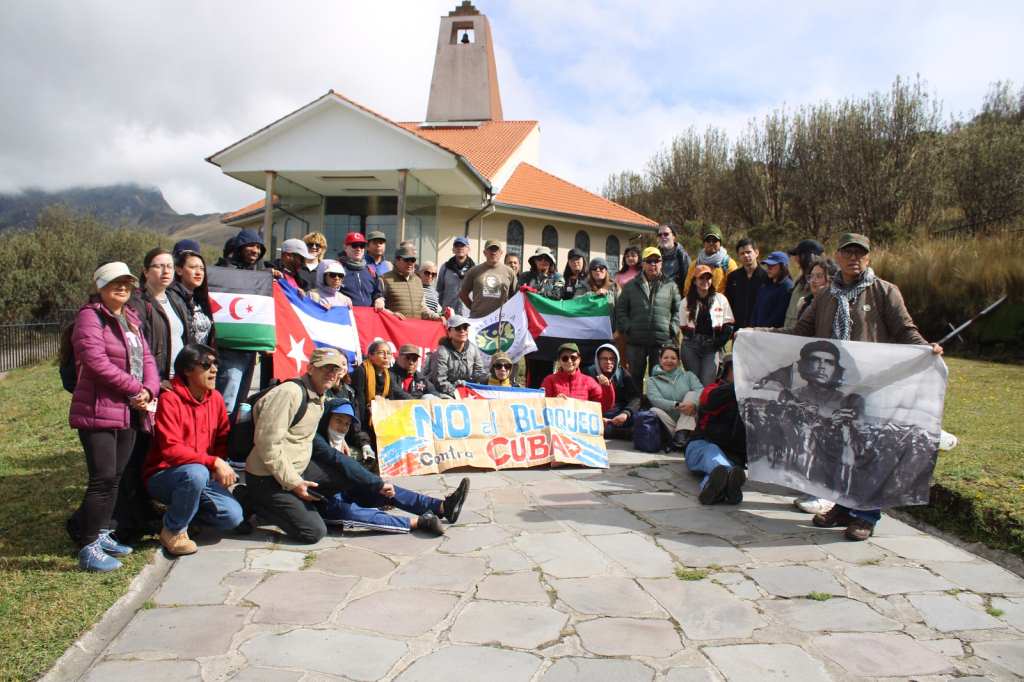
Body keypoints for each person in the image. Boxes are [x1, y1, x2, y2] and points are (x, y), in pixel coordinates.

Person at [788, 233, 943, 541]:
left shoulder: (885, 291)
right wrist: (756, 334)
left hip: (873, 386)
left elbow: (905, 330)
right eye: (848, 252)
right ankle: (843, 507)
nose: (854, 258)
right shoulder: (825, 296)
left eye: (860, 253)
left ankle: (866, 514)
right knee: (835, 449)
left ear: (869, 257)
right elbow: (799, 332)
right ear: (838, 256)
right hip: (834, 388)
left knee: (867, 451)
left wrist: (926, 347)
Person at [69, 262, 160, 571]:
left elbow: (147, 358)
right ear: (99, 286)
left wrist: (150, 389)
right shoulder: (89, 316)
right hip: (98, 409)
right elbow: (94, 361)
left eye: (126, 282)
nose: (122, 287)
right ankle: (88, 546)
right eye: (114, 282)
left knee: (116, 477)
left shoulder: (130, 318)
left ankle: (102, 533)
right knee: (102, 479)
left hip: (129, 410)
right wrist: (136, 388)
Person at [143, 344, 244, 555]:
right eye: (206, 365)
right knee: (196, 473)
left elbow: (222, 439)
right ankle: (173, 531)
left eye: (216, 363)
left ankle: (177, 515)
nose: (214, 369)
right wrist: (213, 462)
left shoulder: (215, 398)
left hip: (201, 475)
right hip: (165, 475)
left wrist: (217, 465)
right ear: (187, 370)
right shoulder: (170, 399)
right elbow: (171, 450)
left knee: (233, 517)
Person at [314, 401, 469, 534]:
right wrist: (377, 483)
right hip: (322, 501)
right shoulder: (316, 441)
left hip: (344, 490)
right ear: (326, 419)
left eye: (347, 424)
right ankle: (419, 523)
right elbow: (340, 461)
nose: (342, 427)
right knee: (351, 512)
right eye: (338, 421)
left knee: (388, 491)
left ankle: (442, 507)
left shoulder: (337, 441)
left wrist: (378, 485)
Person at [240, 347, 343, 544]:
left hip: (295, 469)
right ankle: (252, 500)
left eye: (335, 369)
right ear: (310, 368)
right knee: (313, 532)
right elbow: (267, 444)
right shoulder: (289, 393)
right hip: (267, 477)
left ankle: (292, 505)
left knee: (344, 474)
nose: (331, 373)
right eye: (325, 368)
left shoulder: (319, 395)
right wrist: (294, 483)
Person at [614, 246, 681, 390]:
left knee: (659, 378)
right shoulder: (630, 286)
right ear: (643, 264)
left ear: (661, 263)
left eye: (656, 261)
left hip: (661, 340)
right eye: (649, 261)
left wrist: (672, 328)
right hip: (636, 340)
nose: (653, 264)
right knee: (634, 377)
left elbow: (678, 310)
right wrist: (628, 327)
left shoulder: (671, 285)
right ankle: (635, 402)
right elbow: (620, 309)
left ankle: (654, 403)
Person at [684, 354, 747, 505]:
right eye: (736, 369)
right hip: (701, 446)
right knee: (714, 454)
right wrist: (739, 387)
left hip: (731, 457)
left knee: (720, 472)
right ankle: (728, 482)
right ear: (727, 371)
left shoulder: (751, 400)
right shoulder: (712, 389)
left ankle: (715, 489)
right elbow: (709, 401)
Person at [351, 340, 410, 453]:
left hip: (379, 416)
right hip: (364, 418)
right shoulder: (362, 371)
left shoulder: (388, 375)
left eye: (389, 353)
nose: (386, 356)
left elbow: (393, 398)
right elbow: (359, 402)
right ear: (370, 355)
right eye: (381, 353)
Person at [681, 264, 735, 385]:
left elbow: (729, 325)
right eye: (701, 278)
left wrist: (718, 342)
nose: (705, 281)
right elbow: (683, 327)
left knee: (707, 382)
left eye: (708, 278)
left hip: (712, 346)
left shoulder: (721, 299)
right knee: (694, 383)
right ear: (694, 281)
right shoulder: (685, 301)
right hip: (690, 346)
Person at [645, 345, 703, 450]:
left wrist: (693, 404)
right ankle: (680, 437)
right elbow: (655, 399)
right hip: (668, 421)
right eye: (666, 358)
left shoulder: (689, 376)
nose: (669, 361)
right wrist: (676, 405)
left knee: (691, 395)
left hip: (689, 416)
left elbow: (700, 390)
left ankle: (681, 435)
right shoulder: (652, 381)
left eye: (673, 358)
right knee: (654, 410)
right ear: (660, 360)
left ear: (679, 362)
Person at [585, 343, 639, 440]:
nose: (608, 362)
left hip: (619, 413)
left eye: (612, 359)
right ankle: (622, 433)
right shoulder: (588, 373)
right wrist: (597, 416)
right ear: (598, 360)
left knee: (640, 419)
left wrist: (625, 414)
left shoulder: (622, 373)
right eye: (604, 359)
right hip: (596, 414)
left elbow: (635, 398)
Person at [430, 315, 489, 397]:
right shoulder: (441, 352)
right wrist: (458, 393)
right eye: (458, 328)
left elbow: (479, 373)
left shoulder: (473, 349)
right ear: (449, 332)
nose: (462, 331)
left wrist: (490, 378)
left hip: (466, 391)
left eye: (465, 327)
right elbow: (439, 382)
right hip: (443, 393)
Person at [541, 342, 614, 410]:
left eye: (573, 358)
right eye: (565, 358)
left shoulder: (589, 381)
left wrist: (606, 387)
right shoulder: (549, 380)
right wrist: (554, 401)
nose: (569, 361)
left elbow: (604, 406)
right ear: (559, 361)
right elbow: (541, 405)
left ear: (579, 360)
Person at [167, 249, 215, 347]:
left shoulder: (201, 300)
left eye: (202, 269)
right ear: (179, 270)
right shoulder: (170, 298)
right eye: (193, 267)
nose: (199, 272)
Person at [380, 246, 442, 320]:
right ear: (397, 260)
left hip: (415, 326)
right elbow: (379, 307)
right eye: (406, 260)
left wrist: (436, 317)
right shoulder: (384, 279)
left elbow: (422, 308)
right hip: (393, 325)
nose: (410, 263)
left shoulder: (418, 280)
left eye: (412, 260)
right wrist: (392, 315)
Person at [459, 240, 515, 318]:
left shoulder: (509, 272)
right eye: (490, 249)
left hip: (500, 319)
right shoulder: (474, 271)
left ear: (501, 253)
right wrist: (474, 309)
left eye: (496, 250)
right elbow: (463, 294)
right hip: (478, 319)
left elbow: (515, 296)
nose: (493, 253)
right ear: (484, 253)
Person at [725, 238, 768, 331]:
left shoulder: (766, 277)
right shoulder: (733, 277)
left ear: (756, 253)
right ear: (738, 256)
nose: (746, 255)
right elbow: (729, 303)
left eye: (748, 252)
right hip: (737, 329)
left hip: (759, 328)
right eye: (742, 253)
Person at [784, 239, 825, 330]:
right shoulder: (800, 278)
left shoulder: (821, 280)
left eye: (798, 255)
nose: (795, 259)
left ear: (805, 256)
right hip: (790, 332)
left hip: (803, 333)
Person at [684, 225, 737, 294]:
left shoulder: (728, 264)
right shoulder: (695, 264)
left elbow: (735, 289)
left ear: (720, 243)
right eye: (708, 240)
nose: (711, 243)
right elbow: (687, 288)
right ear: (704, 243)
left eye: (715, 240)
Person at [339, 233, 385, 309]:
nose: (358, 249)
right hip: (347, 313)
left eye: (362, 246)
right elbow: (329, 291)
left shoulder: (371, 268)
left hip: (368, 314)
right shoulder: (338, 268)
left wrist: (379, 299)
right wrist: (340, 297)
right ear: (345, 247)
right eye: (354, 245)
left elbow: (377, 291)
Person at [751, 251, 794, 328]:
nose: (768, 268)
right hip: (757, 331)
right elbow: (756, 309)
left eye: (772, 265)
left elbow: (778, 316)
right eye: (768, 265)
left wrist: (762, 330)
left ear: (783, 267)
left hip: (772, 333)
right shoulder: (765, 285)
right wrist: (752, 327)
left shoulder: (787, 287)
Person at [436, 236, 475, 316]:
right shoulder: (445, 267)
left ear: (468, 249)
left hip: (468, 315)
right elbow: (439, 290)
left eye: (463, 245)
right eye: (457, 246)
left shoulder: (475, 269)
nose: (459, 248)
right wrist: (444, 308)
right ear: (453, 250)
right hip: (448, 314)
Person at [794, 256, 836, 321]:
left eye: (819, 276)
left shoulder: (834, 305)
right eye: (811, 276)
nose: (813, 280)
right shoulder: (804, 303)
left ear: (829, 281)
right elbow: (799, 326)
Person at [656, 224, 691, 292]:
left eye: (666, 234)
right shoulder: (654, 255)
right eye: (660, 235)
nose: (662, 237)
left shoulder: (683, 256)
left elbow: (688, 281)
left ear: (673, 236)